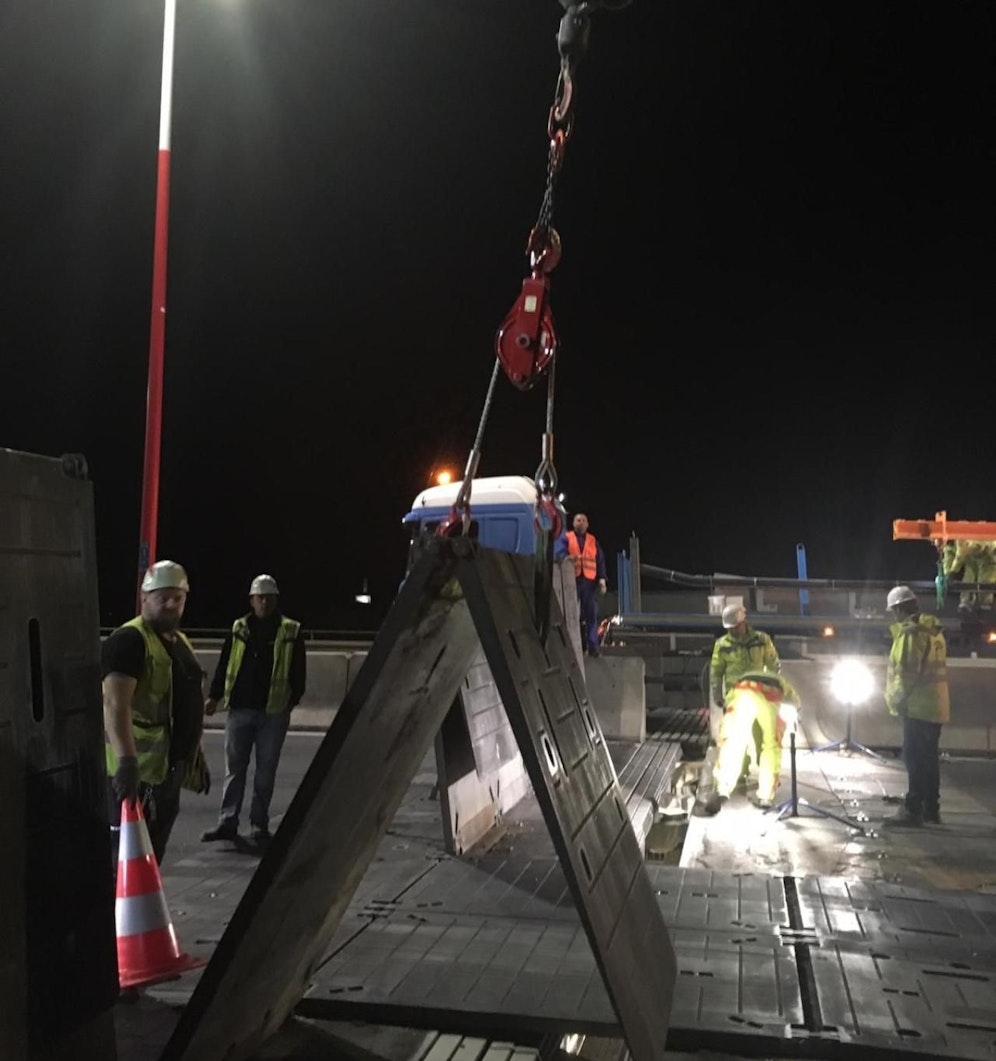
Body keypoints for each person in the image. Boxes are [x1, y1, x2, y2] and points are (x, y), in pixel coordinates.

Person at [102, 560, 208, 868]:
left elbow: (183, 703)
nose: (172, 604)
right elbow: (115, 703)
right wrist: (127, 763)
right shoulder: (130, 640)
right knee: (127, 859)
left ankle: (147, 913)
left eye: (179, 597)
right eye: (163, 597)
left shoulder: (179, 641)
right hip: (139, 775)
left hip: (166, 773)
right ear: (144, 598)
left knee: (151, 856)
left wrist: (194, 754)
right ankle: (119, 916)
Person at [202, 574, 306, 847]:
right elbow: (225, 663)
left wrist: (291, 701)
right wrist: (214, 697)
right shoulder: (239, 628)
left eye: (268, 597)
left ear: (275, 600)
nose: (264, 602)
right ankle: (228, 821)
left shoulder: (290, 630)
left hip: (272, 712)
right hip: (239, 710)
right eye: (259, 597)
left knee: (265, 771)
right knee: (234, 768)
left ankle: (259, 824)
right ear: (251, 600)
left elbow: (298, 672)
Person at [882, 584, 950, 826]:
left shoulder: (911, 634)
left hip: (917, 707)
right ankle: (932, 809)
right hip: (936, 706)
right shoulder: (934, 631)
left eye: (894, 611)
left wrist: (894, 702)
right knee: (929, 759)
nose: (894, 616)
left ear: (900, 610)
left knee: (914, 759)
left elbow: (905, 676)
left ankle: (913, 810)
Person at [696, 669, 800, 815]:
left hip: (742, 689)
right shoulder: (783, 682)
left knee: (734, 741)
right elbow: (795, 703)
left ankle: (723, 789)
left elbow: (728, 700)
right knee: (771, 745)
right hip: (771, 693)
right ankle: (765, 796)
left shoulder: (745, 675)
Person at [708, 603, 782, 789]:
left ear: (743, 622)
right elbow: (716, 671)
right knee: (736, 739)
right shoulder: (722, 645)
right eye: (729, 628)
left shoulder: (761, 640)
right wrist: (717, 694)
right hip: (735, 699)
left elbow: (773, 664)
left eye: (735, 627)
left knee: (761, 736)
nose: (732, 631)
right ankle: (740, 773)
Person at [555, 512, 607, 656]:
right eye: (578, 520)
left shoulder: (592, 540)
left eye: (584, 520)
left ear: (587, 524)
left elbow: (600, 560)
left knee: (591, 615)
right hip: (572, 581)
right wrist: (565, 557)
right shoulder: (567, 537)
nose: (581, 523)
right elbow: (559, 551)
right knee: (572, 615)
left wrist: (602, 580)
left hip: (589, 583)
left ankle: (593, 646)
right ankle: (572, 647)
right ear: (573, 523)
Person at [941, 539, 996, 614]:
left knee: (986, 579)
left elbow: (960, 555)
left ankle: (985, 604)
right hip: (970, 555)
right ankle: (966, 602)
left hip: (987, 552)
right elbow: (949, 555)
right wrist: (947, 573)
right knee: (969, 576)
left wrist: (953, 571)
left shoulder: (959, 538)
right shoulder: (948, 543)